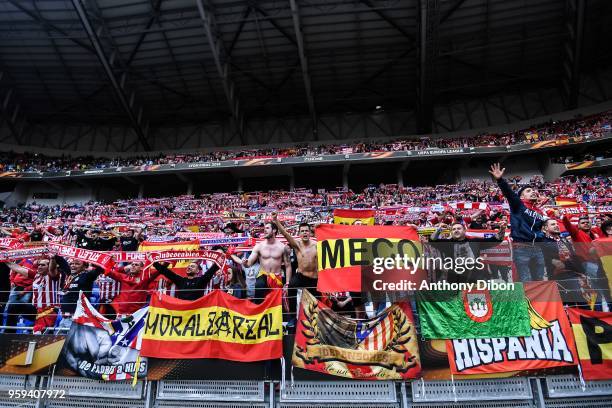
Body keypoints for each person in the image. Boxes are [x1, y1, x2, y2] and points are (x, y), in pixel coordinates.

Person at [489, 163, 547, 281]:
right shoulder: (518, 205)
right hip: (522, 248)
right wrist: (500, 180)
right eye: (528, 191)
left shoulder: (540, 212)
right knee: (526, 281)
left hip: (538, 249)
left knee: (540, 280)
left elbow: (540, 230)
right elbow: (509, 193)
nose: (533, 192)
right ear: (521, 197)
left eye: (533, 190)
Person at [272, 214, 319, 318]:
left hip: (314, 278)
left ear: (310, 233)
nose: (304, 233)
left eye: (306, 231)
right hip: (301, 276)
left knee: (316, 302)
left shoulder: (317, 245)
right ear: (299, 234)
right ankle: (292, 316)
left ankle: (316, 319)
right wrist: (276, 221)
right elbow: (285, 234)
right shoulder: (297, 245)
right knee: (291, 287)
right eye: (302, 231)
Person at [430, 221, 506, 283]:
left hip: (474, 279)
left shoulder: (475, 241)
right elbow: (432, 240)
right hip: (454, 280)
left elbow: (495, 240)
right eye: (453, 229)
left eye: (459, 228)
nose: (456, 230)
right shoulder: (447, 244)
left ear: (464, 230)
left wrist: (502, 229)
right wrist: (439, 229)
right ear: (451, 232)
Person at [242, 222, 291, 304]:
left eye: (267, 228)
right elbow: (249, 263)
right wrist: (245, 263)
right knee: (259, 289)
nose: (265, 230)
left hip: (277, 277)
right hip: (263, 276)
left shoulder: (283, 247)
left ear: (274, 230)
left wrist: (287, 283)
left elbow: (288, 266)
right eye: (264, 228)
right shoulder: (259, 246)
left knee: (277, 304)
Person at [54, 256, 104, 332]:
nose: (73, 265)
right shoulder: (71, 275)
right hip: (64, 318)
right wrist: (54, 254)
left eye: (77, 264)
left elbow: (101, 268)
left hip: (77, 319)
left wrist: (91, 259)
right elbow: (61, 261)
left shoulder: (87, 276)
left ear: (85, 267)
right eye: (72, 264)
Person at [152, 259, 220, 301]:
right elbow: (165, 271)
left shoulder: (201, 280)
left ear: (197, 271)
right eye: (189, 266)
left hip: (196, 310)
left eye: (192, 266)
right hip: (182, 310)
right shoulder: (181, 280)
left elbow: (211, 271)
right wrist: (154, 262)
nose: (189, 267)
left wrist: (219, 261)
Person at [1, 259, 36, 333]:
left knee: (18, 308)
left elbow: (35, 283)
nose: (40, 266)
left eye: (43, 265)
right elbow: (17, 269)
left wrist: (25, 290)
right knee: (10, 307)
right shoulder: (26, 261)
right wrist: (12, 281)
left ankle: (23, 327)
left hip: (29, 291)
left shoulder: (41, 270)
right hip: (17, 286)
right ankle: (8, 332)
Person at [562, 215, 601, 279]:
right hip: (587, 263)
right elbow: (567, 224)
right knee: (600, 279)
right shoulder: (576, 233)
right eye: (582, 223)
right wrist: (565, 216)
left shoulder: (595, 234)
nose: (586, 223)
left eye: (587, 222)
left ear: (591, 224)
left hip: (600, 262)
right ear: (578, 226)